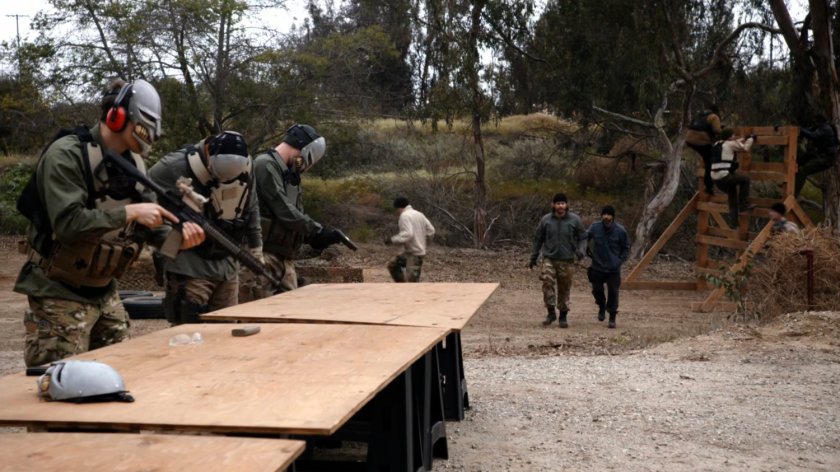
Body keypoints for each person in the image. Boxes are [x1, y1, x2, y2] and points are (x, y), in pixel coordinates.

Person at [14, 79, 205, 367]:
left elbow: (151, 230)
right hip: (58, 291)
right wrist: (129, 213)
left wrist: (179, 239)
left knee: (117, 377)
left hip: (104, 292)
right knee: (59, 383)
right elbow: (67, 224)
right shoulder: (67, 155)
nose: (150, 134)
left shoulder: (136, 165)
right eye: (144, 124)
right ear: (117, 117)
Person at [149, 131, 262, 325]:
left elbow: (251, 205)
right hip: (188, 265)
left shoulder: (246, 166)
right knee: (188, 334)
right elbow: (142, 194)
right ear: (209, 154)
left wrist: (256, 247)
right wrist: (166, 234)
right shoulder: (174, 166)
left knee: (226, 335)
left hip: (227, 264)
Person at [240, 124, 345, 299]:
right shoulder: (264, 165)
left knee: (289, 315)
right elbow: (284, 210)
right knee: (257, 316)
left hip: (284, 258)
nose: (304, 165)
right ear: (303, 149)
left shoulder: (289, 174)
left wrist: (312, 236)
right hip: (262, 256)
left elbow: (297, 213)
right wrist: (316, 230)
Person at [529, 193, 586, 328]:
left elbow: (583, 237)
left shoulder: (574, 220)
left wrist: (581, 250)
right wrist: (534, 256)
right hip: (549, 257)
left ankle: (563, 315)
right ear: (553, 205)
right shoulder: (546, 220)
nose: (560, 206)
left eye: (563, 203)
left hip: (567, 259)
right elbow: (538, 239)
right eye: (558, 203)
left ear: (567, 205)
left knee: (564, 288)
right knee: (547, 284)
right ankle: (550, 312)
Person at [585, 205, 630, 329]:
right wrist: (585, 250)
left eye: (608, 214)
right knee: (597, 290)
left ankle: (612, 317)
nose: (606, 217)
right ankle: (601, 306)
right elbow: (584, 238)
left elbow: (626, 247)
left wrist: (620, 260)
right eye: (604, 214)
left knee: (613, 292)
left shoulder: (620, 231)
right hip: (597, 266)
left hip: (613, 268)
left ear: (613, 217)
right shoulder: (595, 227)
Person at [710, 129, 756, 228]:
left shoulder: (717, 144)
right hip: (724, 176)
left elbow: (734, 143)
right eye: (733, 135)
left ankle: (734, 223)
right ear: (730, 136)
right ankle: (744, 206)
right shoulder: (730, 144)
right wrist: (751, 139)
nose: (734, 137)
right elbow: (745, 148)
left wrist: (743, 138)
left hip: (715, 179)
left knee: (733, 197)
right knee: (745, 180)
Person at [384, 197, 436, 282]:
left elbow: (408, 234)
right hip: (411, 252)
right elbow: (431, 231)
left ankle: (408, 290)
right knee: (392, 265)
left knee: (412, 281)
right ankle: (402, 286)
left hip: (415, 254)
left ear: (399, 207)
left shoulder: (404, 216)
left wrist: (393, 240)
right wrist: (423, 241)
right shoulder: (419, 214)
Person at [796, 114, 839, 197]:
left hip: (827, 159)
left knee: (804, 170)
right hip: (819, 155)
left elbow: (813, 136)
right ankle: (787, 183)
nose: (814, 123)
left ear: (819, 121)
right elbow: (806, 131)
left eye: (815, 121)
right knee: (798, 161)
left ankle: (794, 193)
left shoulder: (826, 129)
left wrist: (800, 129)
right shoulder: (819, 127)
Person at [686, 104, 723, 195]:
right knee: (710, 162)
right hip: (701, 141)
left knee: (707, 157)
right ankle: (709, 187)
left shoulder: (699, 116)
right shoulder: (714, 117)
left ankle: (709, 186)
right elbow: (717, 130)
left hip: (689, 139)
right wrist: (725, 133)